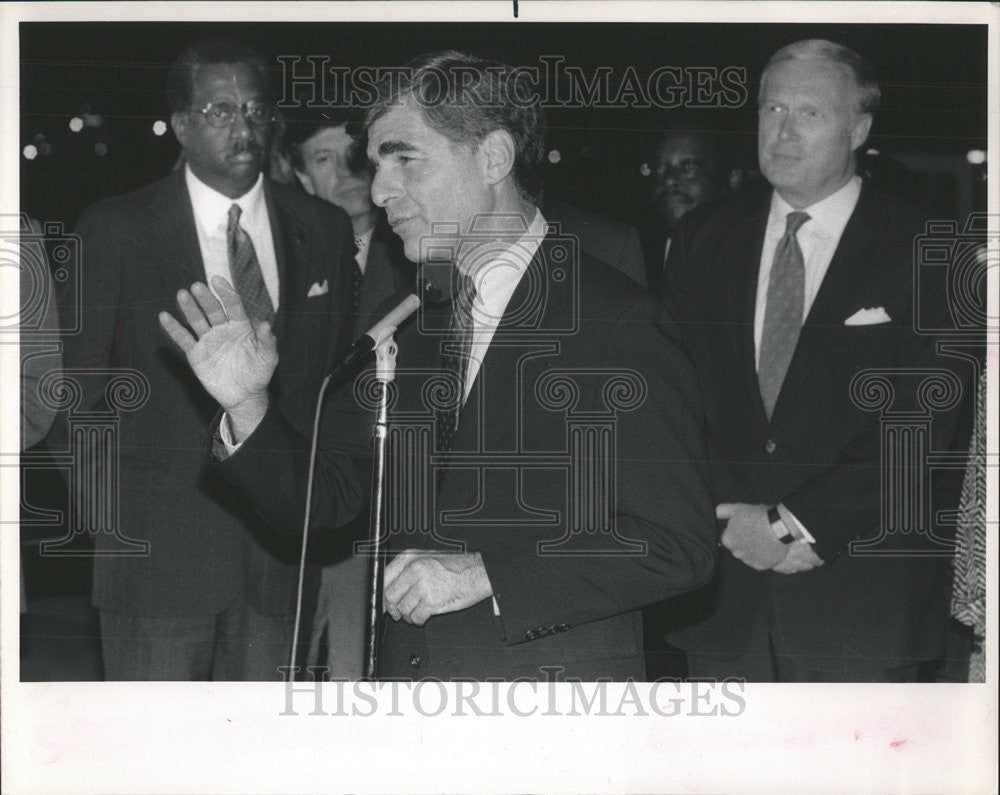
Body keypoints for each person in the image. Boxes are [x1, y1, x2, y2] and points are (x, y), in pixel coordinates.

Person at [160, 50, 716, 681]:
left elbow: (677, 546)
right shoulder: (414, 325)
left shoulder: (618, 322)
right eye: (375, 166)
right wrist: (247, 405)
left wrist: (487, 573)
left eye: (405, 159)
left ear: (493, 157)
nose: (378, 191)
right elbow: (328, 499)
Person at [51, 38, 360, 680]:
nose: (243, 126)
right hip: (154, 568)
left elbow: (334, 391)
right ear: (183, 124)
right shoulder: (116, 227)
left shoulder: (323, 228)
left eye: (254, 108)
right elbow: (72, 398)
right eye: (221, 111)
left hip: (282, 559)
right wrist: (113, 521)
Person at [661, 39, 967, 682]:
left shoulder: (927, 249)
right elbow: (674, 397)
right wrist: (731, 522)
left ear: (859, 128)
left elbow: (922, 426)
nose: (783, 131)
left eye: (810, 113)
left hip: (864, 605)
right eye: (772, 109)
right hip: (723, 597)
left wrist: (796, 525)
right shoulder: (702, 238)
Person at [283, 105, 415, 678]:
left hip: (378, 496)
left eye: (354, 157)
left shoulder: (414, 253)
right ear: (300, 176)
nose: (345, 173)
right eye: (323, 158)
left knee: (354, 666)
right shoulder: (281, 256)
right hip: (294, 493)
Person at [639, 122, 742, 290]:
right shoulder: (632, 255)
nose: (669, 180)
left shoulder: (751, 259)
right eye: (658, 169)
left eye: (689, 167)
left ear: (733, 178)